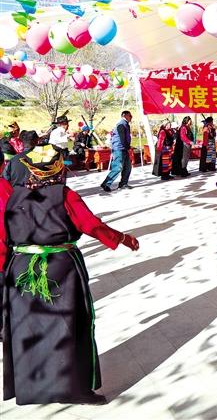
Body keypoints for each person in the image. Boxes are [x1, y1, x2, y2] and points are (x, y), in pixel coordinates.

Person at [1, 145, 139, 405]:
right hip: (61, 269)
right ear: (57, 167)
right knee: (69, 326)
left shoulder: (13, 197)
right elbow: (91, 225)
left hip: (20, 270)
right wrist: (122, 238)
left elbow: (3, 237)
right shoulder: (65, 195)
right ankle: (75, 390)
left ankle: (33, 387)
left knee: (29, 328)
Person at [101, 111, 133, 193]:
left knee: (128, 167)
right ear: (124, 116)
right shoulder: (121, 124)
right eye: (130, 116)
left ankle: (123, 184)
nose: (131, 117)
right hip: (119, 149)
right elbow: (122, 138)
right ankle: (106, 183)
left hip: (124, 148)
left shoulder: (126, 124)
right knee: (118, 167)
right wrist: (127, 147)